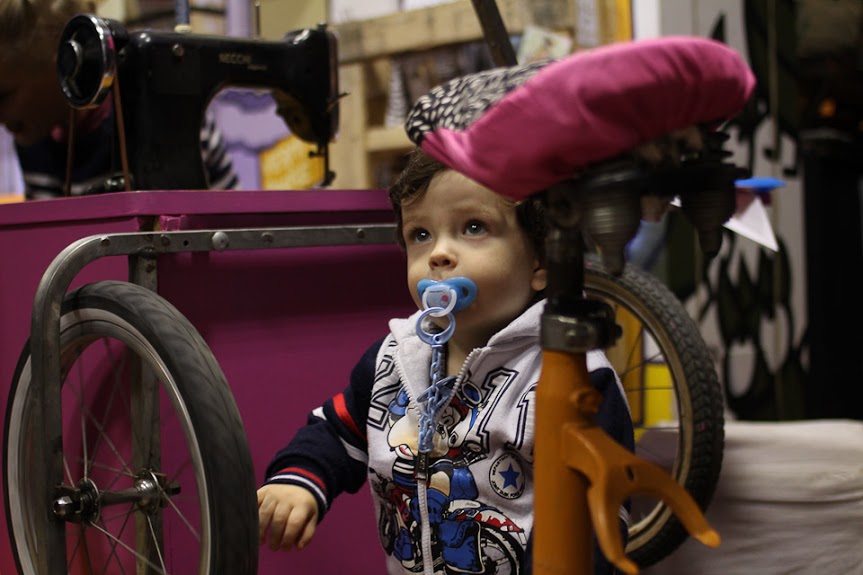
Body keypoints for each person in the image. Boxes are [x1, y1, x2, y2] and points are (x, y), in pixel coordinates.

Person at [257, 148, 635, 574]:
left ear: (542, 260)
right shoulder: (392, 361)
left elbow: (589, 523)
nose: (438, 253)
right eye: (420, 234)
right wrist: (299, 481)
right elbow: (336, 430)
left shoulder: (572, 377)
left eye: (473, 227)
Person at [0, 0, 239, 199]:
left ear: (65, 61)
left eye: (3, 96)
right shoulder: (32, 136)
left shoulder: (169, 113)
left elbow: (235, 223)